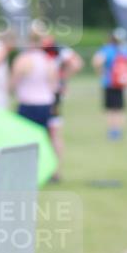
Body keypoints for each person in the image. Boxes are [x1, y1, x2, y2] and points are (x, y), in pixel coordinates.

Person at [41, 35, 83, 180]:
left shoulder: (57, 49)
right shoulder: (53, 48)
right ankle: (53, 171)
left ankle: (54, 171)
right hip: (47, 96)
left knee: (51, 133)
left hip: (49, 96)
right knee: (51, 133)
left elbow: (76, 63)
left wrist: (62, 79)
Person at [92, 28, 127, 139]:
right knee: (120, 108)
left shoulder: (107, 49)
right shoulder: (125, 49)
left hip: (109, 83)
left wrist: (101, 73)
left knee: (111, 109)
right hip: (121, 83)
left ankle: (112, 131)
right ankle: (118, 131)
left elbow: (97, 61)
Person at [10, 22, 58, 132]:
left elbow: (13, 83)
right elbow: (53, 85)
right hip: (45, 103)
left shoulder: (22, 59)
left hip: (28, 104)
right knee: (43, 137)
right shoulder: (48, 60)